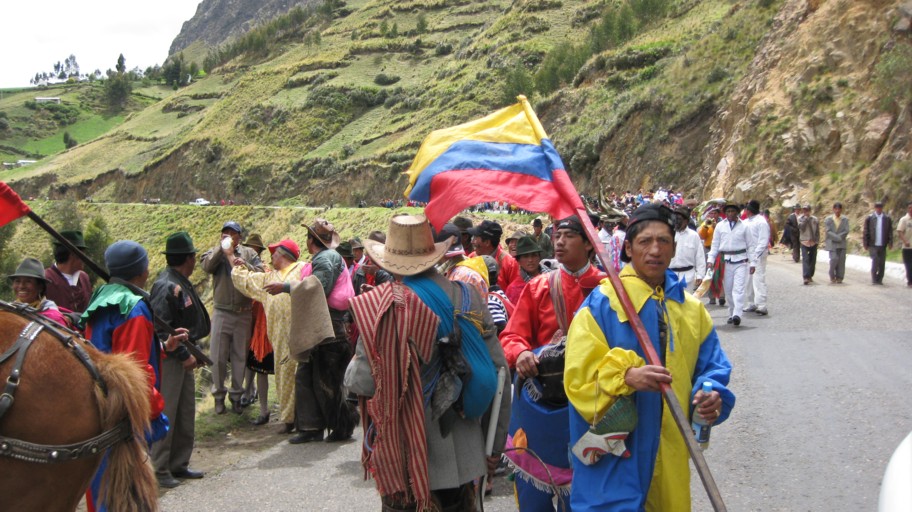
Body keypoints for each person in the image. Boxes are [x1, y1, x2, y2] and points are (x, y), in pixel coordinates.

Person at [564, 203, 735, 511]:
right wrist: (625, 378)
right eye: (645, 241)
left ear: (674, 248)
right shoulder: (602, 305)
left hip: (670, 451)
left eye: (664, 241)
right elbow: (578, 376)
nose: (655, 250)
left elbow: (712, 367)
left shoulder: (691, 310)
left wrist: (711, 394)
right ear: (628, 248)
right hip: (616, 455)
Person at [346, 213, 510, 512]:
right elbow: (499, 374)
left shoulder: (380, 307)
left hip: (404, 458)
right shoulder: (467, 296)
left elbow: (362, 383)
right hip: (462, 455)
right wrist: (493, 445)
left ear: (387, 260)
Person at [499, 215, 604, 510]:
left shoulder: (609, 290)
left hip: (592, 404)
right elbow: (513, 334)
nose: (559, 242)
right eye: (557, 236)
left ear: (589, 244)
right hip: (542, 403)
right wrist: (520, 353)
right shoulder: (540, 288)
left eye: (569, 236)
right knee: (534, 495)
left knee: (586, 496)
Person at [81, 240, 185, 512]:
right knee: (124, 494)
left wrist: (162, 347)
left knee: (100, 488)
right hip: (123, 417)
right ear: (141, 270)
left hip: (99, 406)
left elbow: (110, 351)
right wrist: (154, 413)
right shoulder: (134, 308)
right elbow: (135, 373)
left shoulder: (101, 297)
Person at [149, 232, 211, 489]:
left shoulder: (178, 280)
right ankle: (159, 467)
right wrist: (183, 355)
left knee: (185, 412)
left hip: (185, 353)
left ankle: (179, 463)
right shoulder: (167, 285)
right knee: (168, 412)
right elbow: (161, 328)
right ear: (189, 258)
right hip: (172, 358)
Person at [289, 218, 358, 444]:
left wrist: (286, 287)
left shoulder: (326, 259)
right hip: (327, 324)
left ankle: (339, 426)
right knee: (311, 375)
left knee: (327, 379)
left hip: (327, 327)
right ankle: (313, 426)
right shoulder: (327, 258)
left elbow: (318, 287)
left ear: (312, 241)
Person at [231, 239, 305, 434]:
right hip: (280, 336)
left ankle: (307, 418)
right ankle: (289, 418)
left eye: (275, 252)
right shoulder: (268, 277)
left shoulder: (304, 268)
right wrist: (236, 265)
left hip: (303, 332)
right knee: (284, 375)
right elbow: (246, 281)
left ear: (283, 254)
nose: (272, 256)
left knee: (304, 374)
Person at [200, 221, 263, 414]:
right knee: (217, 357)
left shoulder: (249, 254)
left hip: (243, 312)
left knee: (239, 357)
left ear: (240, 237)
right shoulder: (214, 252)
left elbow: (261, 272)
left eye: (233, 234)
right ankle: (219, 397)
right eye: (225, 233)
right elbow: (207, 266)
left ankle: (237, 396)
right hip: (221, 311)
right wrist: (222, 249)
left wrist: (246, 265)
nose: (229, 237)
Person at [707, 202, 754, 326]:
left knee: (738, 289)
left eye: (733, 211)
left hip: (741, 260)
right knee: (728, 289)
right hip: (725, 261)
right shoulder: (720, 226)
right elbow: (715, 244)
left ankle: (737, 314)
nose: (730, 214)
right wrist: (710, 260)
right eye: (728, 212)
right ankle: (731, 311)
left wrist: (753, 262)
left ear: (737, 213)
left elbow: (750, 245)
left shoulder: (744, 226)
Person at [43, 230, 93, 316]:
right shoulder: (45, 279)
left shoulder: (84, 277)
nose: (85, 258)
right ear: (73, 255)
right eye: (83, 254)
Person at [9, 257, 69, 326]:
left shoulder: (53, 317)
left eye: (28, 281)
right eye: (17, 281)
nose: (21, 286)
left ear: (40, 287)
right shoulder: (8, 310)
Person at [469, 220, 519, 291]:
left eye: (476, 238)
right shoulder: (471, 258)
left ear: (487, 242)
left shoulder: (510, 264)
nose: (472, 241)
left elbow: (514, 293)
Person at [669, 205, 706, 291]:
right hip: (670, 276)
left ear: (686, 221)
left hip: (688, 277)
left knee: (686, 302)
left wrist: (700, 275)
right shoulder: (669, 235)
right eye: (675, 219)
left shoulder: (693, 236)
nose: (676, 222)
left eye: (679, 220)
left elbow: (699, 256)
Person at [743, 200, 770, 315]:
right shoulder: (745, 222)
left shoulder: (761, 222)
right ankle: (751, 302)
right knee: (748, 279)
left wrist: (755, 254)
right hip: (747, 255)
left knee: (758, 278)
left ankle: (762, 304)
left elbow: (763, 240)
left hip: (758, 255)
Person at [505, 235, 549, 304]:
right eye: (525, 256)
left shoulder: (553, 277)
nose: (530, 260)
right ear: (518, 261)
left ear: (539, 257)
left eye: (534, 255)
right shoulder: (514, 289)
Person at [863, 201, 893, 285]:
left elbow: (890, 231)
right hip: (873, 244)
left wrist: (890, 242)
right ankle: (874, 277)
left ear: (882, 208)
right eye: (877, 207)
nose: (879, 209)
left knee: (882, 262)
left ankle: (880, 279)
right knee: (875, 260)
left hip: (883, 244)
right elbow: (866, 231)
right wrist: (865, 243)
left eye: (880, 207)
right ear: (875, 208)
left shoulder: (887, 218)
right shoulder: (870, 218)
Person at [697, 207, 723, 306]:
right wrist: (706, 227)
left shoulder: (722, 224)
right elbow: (701, 236)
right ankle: (711, 297)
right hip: (708, 249)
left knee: (720, 273)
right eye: (711, 213)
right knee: (709, 273)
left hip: (720, 250)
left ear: (718, 214)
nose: (712, 216)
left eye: (714, 213)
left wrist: (716, 227)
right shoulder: (706, 223)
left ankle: (721, 296)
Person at [824, 202, 850, 284]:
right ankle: (832, 274)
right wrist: (836, 237)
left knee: (841, 261)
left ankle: (840, 277)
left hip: (842, 243)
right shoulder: (828, 219)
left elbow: (846, 231)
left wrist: (839, 237)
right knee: (834, 259)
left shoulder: (845, 219)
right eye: (836, 209)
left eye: (839, 209)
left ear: (841, 210)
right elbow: (828, 231)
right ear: (833, 209)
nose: (837, 211)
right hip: (832, 243)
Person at [798, 204, 820, 285]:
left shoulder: (815, 219)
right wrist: (806, 219)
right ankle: (806, 277)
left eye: (807, 210)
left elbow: (817, 231)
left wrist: (817, 240)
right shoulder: (800, 219)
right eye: (804, 210)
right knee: (805, 259)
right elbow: (801, 228)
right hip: (804, 241)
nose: (805, 212)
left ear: (810, 211)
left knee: (812, 259)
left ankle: (810, 274)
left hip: (813, 242)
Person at [898, 201, 912, 287]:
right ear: (907, 209)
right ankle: (910, 281)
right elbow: (900, 231)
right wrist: (905, 241)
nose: (911, 209)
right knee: (909, 265)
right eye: (910, 207)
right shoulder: (904, 219)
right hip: (907, 247)